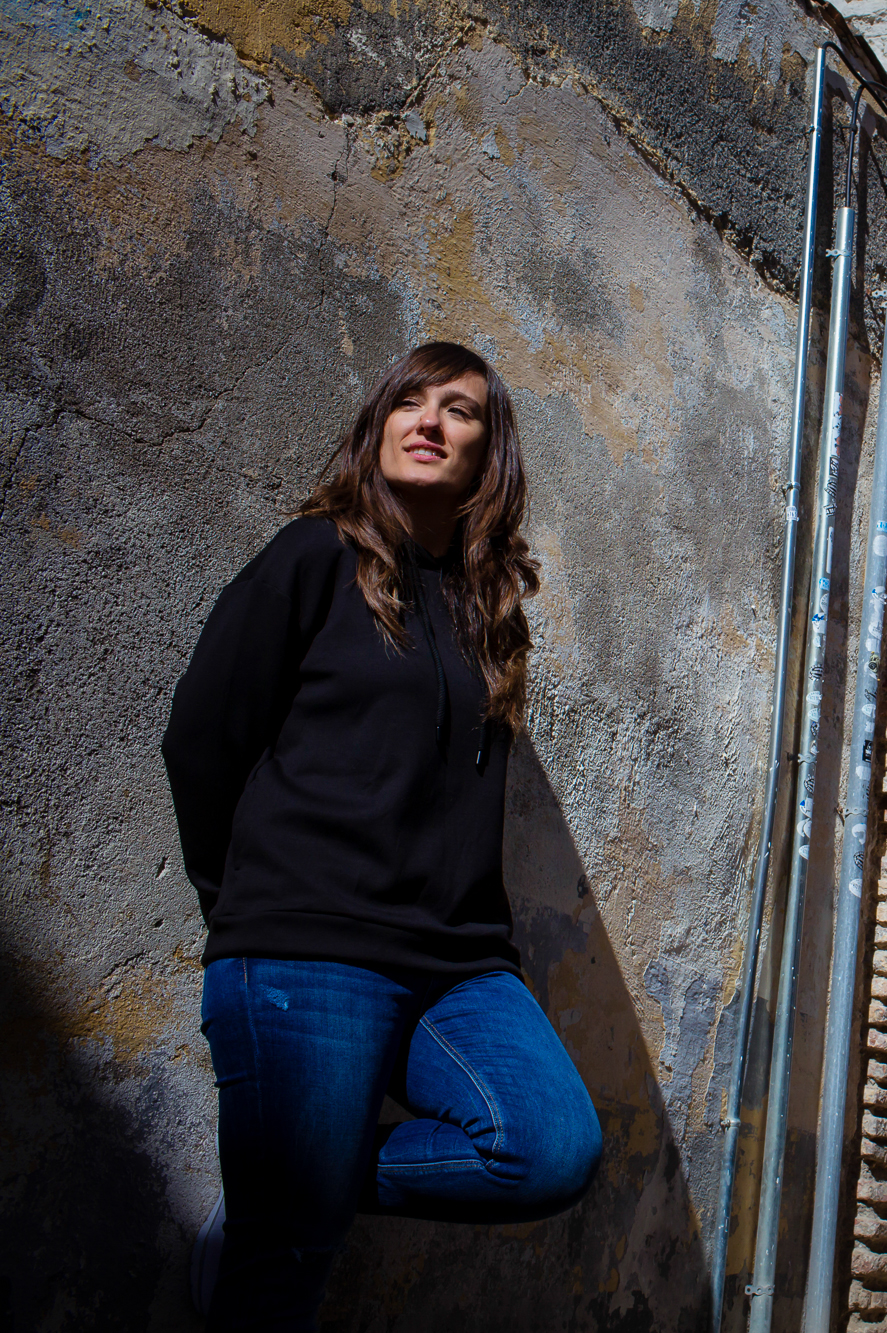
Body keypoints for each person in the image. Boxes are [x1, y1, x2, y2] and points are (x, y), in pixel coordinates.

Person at [163, 342, 602, 1329]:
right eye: (410, 399)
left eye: (460, 409)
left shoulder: (485, 613)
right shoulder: (312, 557)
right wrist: (236, 896)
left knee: (547, 1147)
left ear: (490, 454)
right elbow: (202, 736)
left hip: (457, 964)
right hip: (309, 946)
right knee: (286, 1277)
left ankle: (284, 1185)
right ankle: (284, 1203)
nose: (430, 420)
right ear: (379, 425)